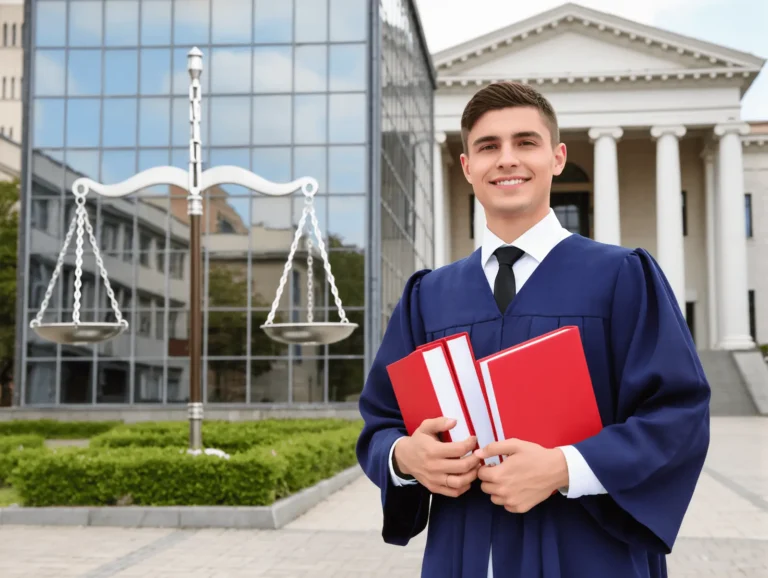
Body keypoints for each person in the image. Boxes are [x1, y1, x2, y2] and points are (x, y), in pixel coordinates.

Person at [355, 81, 711, 578]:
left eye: (525, 142)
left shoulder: (621, 276)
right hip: (464, 551)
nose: (506, 159)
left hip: (591, 551)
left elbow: (677, 414)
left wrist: (566, 467)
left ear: (557, 157)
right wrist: (406, 457)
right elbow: (379, 421)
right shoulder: (429, 295)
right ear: (467, 167)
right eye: (487, 146)